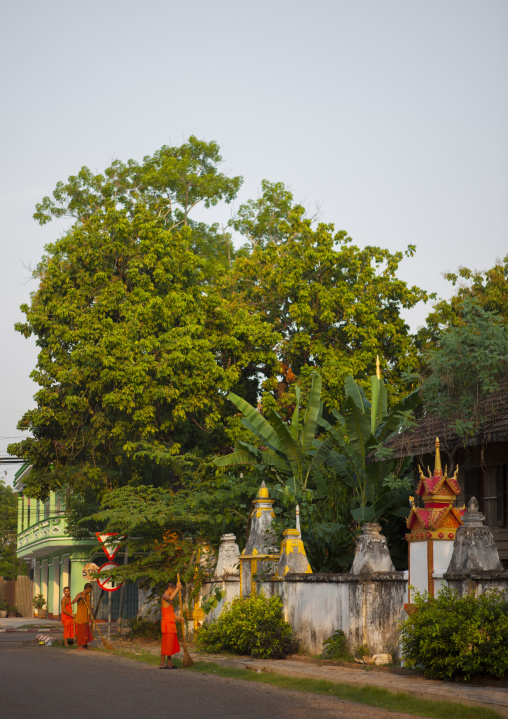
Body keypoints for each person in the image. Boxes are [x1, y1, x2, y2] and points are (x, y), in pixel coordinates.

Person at [160, 580, 184, 668]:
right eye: (173, 590)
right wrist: (177, 588)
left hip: (171, 624)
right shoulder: (164, 596)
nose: (173, 592)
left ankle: (169, 663)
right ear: (169, 589)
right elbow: (170, 598)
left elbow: (171, 612)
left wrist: (179, 619)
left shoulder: (169, 600)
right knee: (166, 644)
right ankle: (162, 663)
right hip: (167, 625)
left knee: (170, 644)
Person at [71, 582, 94, 650]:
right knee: (81, 632)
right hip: (80, 617)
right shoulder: (80, 594)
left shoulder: (87, 596)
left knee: (86, 631)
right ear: (88, 589)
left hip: (85, 617)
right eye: (91, 590)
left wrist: (90, 609)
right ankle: (79, 646)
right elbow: (73, 602)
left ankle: (85, 645)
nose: (91, 591)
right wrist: (80, 597)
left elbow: (88, 603)